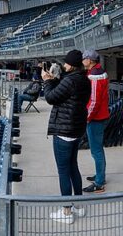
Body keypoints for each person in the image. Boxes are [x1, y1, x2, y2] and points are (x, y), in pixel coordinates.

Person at [43, 50, 90, 224]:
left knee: (63, 171)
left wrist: (47, 81)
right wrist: (55, 79)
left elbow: (50, 97)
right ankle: (79, 205)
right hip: (76, 130)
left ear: (71, 64)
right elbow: (65, 91)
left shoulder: (70, 80)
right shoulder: (83, 79)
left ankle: (66, 212)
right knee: (73, 167)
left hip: (64, 131)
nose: (64, 65)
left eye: (66, 63)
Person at [82, 50, 108, 194]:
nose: (82, 61)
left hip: (95, 118)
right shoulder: (97, 71)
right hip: (99, 116)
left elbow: (94, 101)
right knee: (98, 149)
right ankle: (100, 175)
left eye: (84, 58)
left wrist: (87, 117)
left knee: (96, 150)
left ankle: (99, 182)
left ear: (90, 60)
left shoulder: (95, 75)